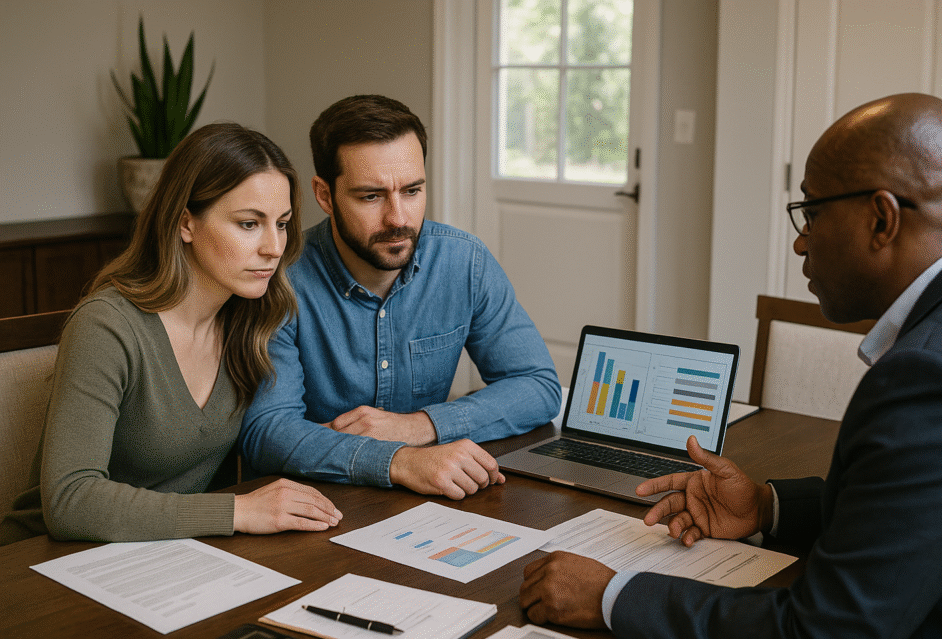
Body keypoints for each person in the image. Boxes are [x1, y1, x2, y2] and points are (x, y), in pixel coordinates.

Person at [518, 93, 942, 639]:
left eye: (811, 215)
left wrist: (611, 595)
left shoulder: (932, 379)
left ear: (881, 220)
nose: (800, 243)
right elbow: (927, 513)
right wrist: (766, 506)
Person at [0, 123, 343, 545]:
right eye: (249, 224)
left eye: (283, 223)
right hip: (44, 563)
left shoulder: (249, 321)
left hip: (166, 558)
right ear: (186, 223)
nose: (273, 247)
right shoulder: (107, 326)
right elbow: (70, 500)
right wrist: (240, 510)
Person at [240, 95, 560, 500]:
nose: (398, 218)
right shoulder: (280, 280)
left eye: (411, 191)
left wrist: (421, 426)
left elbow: (537, 385)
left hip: (427, 503)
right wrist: (400, 459)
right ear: (324, 195)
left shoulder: (464, 262)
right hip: (318, 506)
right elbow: (268, 432)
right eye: (371, 196)